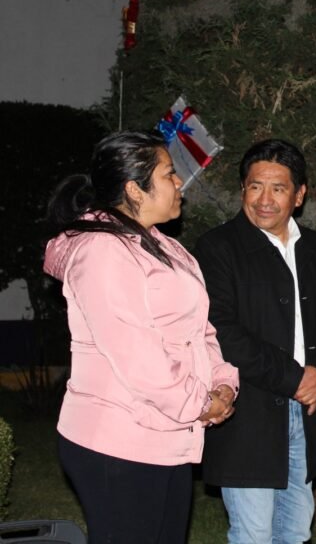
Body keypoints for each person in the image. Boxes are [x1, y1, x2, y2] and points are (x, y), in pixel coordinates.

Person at [43, 131, 239, 543]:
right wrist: (199, 404)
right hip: (118, 440)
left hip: (167, 434)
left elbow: (200, 330)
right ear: (135, 189)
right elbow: (136, 355)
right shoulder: (101, 252)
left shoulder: (168, 248)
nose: (179, 184)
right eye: (169, 174)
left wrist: (223, 383)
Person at [193, 139, 316, 544]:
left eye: (278, 189)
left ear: (299, 195)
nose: (264, 200)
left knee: (296, 530)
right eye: (254, 186)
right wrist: (294, 378)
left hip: (308, 411)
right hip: (248, 412)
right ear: (243, 189)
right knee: (253, 533)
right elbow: (222, 330)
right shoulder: (218, 247)